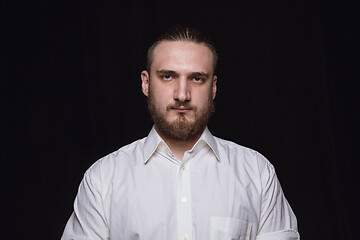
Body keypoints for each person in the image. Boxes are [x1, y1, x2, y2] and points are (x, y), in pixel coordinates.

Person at [61, 26, 299, 240]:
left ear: (213, 87)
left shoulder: (257, 174)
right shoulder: (103, 180)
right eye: (167, 76)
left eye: (197, 78)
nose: (182, 94)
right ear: (146, 83)